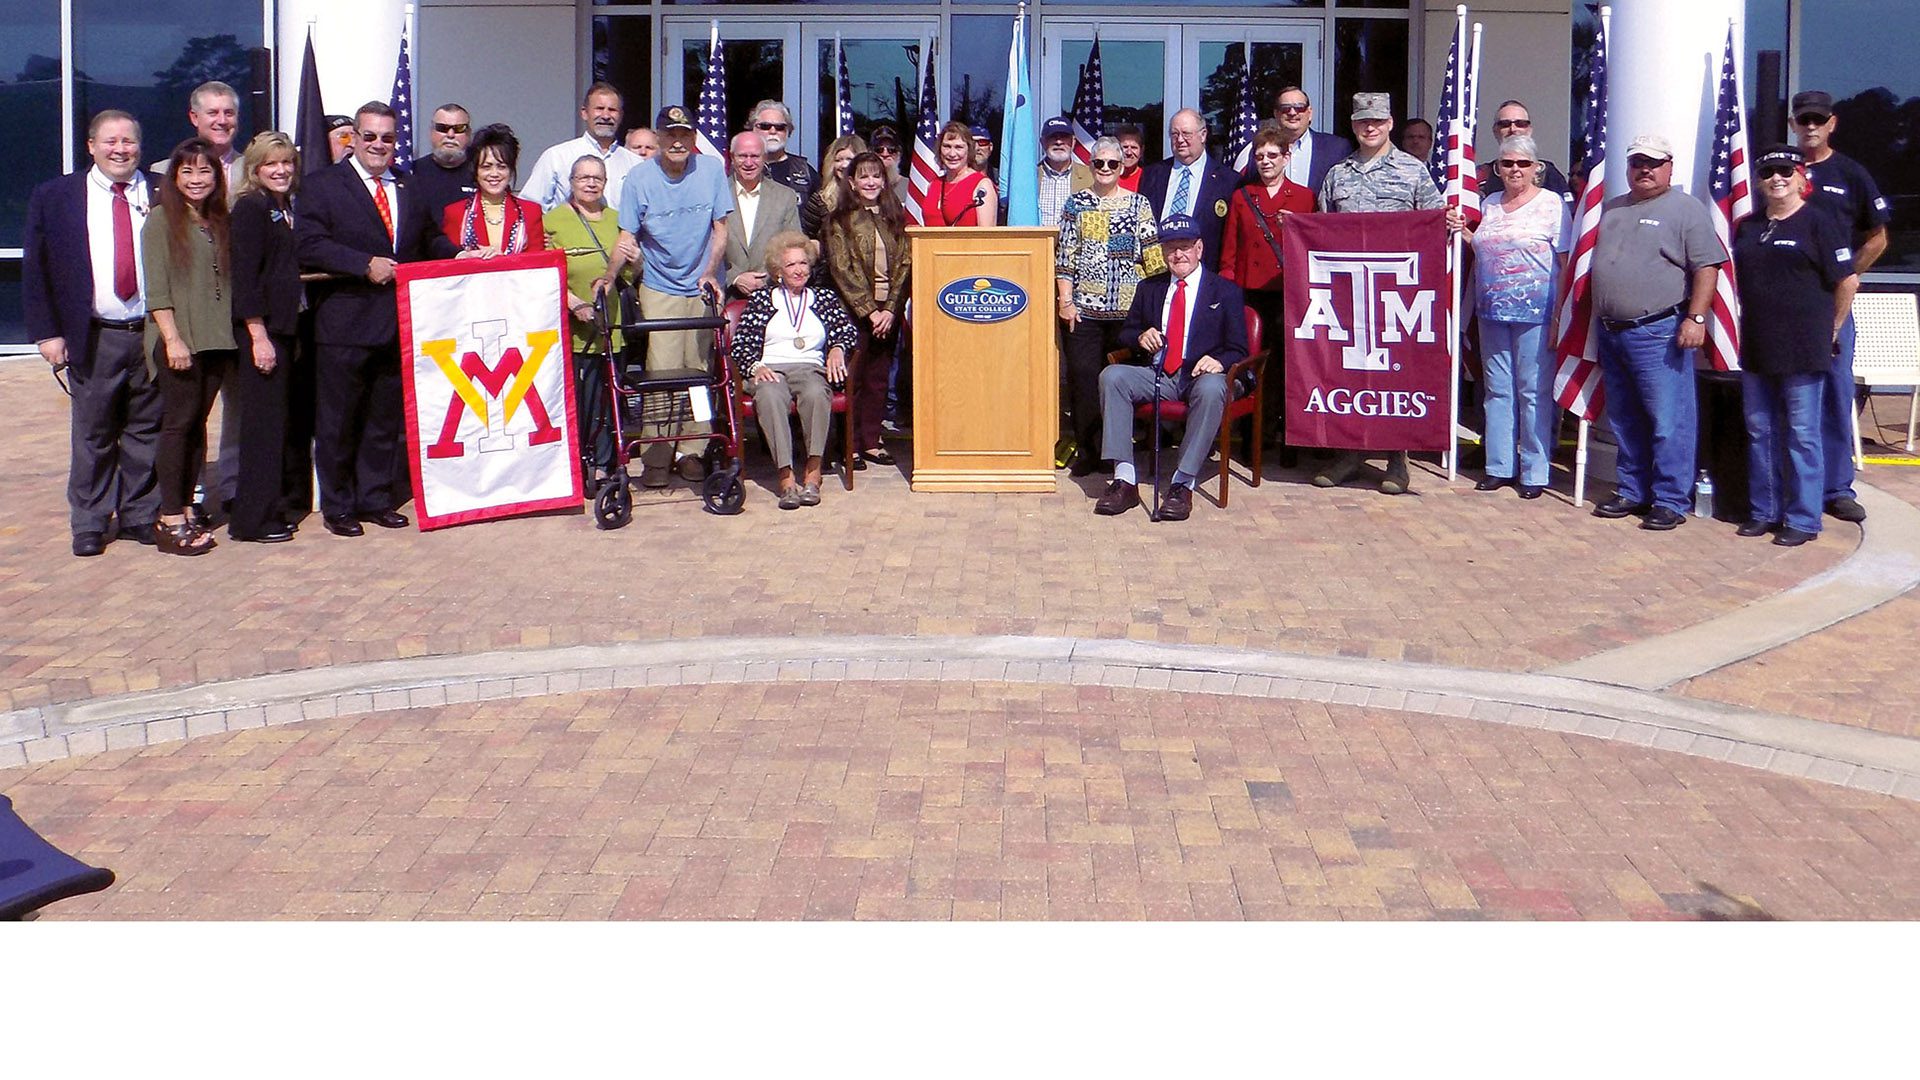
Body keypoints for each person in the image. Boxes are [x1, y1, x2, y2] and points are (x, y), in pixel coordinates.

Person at [296, 101, 458, 537]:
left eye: (387, 138)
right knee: (339, 420)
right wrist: (361, 262)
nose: (379, 145)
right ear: (354, 139)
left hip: (396, 324)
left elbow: (428, 238)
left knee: (383, 419)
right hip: (343, 323)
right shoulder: (322, 185)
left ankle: (375, 498)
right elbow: (308, 243)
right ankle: (339, 505)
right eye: (369, 136)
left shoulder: (409, 184)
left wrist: (461, 254)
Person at [23, 110, 164, 557]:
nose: (120, 149)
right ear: (91, 146)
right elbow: (36, 269)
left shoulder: (162, 193)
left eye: (129, 141)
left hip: (152, 333)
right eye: (110, 141)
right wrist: (48, 333)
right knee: (93, 432)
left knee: (146, 428)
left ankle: (141, 514)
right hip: (93, 334)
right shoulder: (57, 195)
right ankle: (90, 520)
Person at [1312, 92, 1463, 496]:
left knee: (1394, 372)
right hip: (1348, 291)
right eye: (1363, 121)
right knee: (1347, 369)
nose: (1370, 127)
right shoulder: (1337, 174)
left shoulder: (1413, 171)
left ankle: (1398, 456)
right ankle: (1348, 452)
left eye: (1377, 120)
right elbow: (1322, 231)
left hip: (1397, 294)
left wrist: (1449, 221)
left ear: (1390, 122)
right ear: (1354, 124)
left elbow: (1434, 225)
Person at [1586, 133, 1726, 531]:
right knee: (1625, 419)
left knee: (1669, 420)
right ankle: (1632, 490)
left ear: (1669, 166)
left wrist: (1696, 318)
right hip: (1612, 331)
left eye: (1653, 162)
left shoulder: (1685, 209)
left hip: (1658, 331)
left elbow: (1706, 267)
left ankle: (1669, 499)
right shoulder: (1613, 209)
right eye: (1636, 163)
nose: (1644, 169)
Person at [1733, 145, 1860, 547]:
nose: (1777, 178)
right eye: (1769, 172)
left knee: (1803, 433)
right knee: (1760, 429)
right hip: (1757, 343)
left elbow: (1847, 281)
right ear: (1759, 179)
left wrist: (1834, 329)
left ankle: (1803, 518)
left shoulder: (1819, 223)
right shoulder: (1749, 226)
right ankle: (1764, 511)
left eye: (1786, 170)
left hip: (1804, 347)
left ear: (1801, 176)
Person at [599, 105, 730, 487]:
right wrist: (609, 276)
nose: (677, 141)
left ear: (692, 138)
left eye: (684, 135)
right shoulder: (639, 179)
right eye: (669, 134)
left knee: (700, 371)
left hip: (702, 285)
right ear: (657, 139)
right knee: (662, 372)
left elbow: (720, 229)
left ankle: (694, 451)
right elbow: (627, 237)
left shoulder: (710, 170)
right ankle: (657, 458)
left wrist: (709, 273)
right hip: (659, 285)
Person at [1093, 215, 1248, 521]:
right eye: (1171, 248)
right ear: (1163, 253)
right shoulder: (1150, 287)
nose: (1178, 255)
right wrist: (1140, 337)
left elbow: (1239, 348)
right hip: (1158, 374)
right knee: (1112, 376)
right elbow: (1126, 333)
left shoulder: (1224, 291)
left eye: (1185, 247)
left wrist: (1219, 361)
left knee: (1214, 386)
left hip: (1200, 377)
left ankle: (1182, 483)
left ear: (1200, 248)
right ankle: (1124, 480)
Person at [1793, 89, 1892, 525]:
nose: (1811, 126)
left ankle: (1836, 488)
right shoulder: (1779, 171)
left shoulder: (1850, 173)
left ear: (1832, 123)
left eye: (1818, 119)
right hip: (1782, 304)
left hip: (1831, 305)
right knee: (1787, 399)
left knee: (1834, 395)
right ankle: (1794, 485)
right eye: (1804, 119)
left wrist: (1845, 275)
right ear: (1794, 124)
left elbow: (1878, 237)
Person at [142, 138, 235, 556]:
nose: (197, 180)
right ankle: (169, 517)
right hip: (180, 340)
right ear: (174, 178)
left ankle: (187, 504)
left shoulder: (217, 219)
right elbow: (157, 290)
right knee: (178, 426)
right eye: (187, 172)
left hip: (216, 339)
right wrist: (172, 338)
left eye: (205, 171)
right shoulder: (161, 221)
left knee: (197, 425)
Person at [1467, 133, 1572, 500]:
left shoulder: (1552, 205)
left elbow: (1564, 262)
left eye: (1522, 164)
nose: (1514, 170)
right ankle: (1498, 467)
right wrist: (1461, 231)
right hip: (1492, 312)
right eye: (1507, 163)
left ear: (1536, 168)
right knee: (1497, 391)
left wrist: (1560, 317)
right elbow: (1482, 246)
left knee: (1533, 393)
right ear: (1497, 168)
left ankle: (1535, 471)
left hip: (1537, 314)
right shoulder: (1490, 204)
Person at [1056, 136, 1163, 478]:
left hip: (1127, 317)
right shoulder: (1076, 205)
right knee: (1084, 381)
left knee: (1121, 385)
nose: (1105, 169)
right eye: (1099, 163)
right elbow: (1065, 258)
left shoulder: (1139, 205)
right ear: (1090, 166)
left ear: (1122, 167)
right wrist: (1065, 301)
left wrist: (1152, 312)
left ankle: (1120, 454)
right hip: (1084, 313)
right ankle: (1088, 451)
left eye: (1112, 164)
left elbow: (1153, 261)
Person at [733, 232, 860, 509]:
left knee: (816, 392)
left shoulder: (824, 297)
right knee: (769, 395)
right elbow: (741, 342)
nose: (799, 270)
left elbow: (847, 331)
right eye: (791, 265)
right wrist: (756, 366)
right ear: (778, 271)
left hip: (809, 367)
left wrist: (838, 347)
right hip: (771, 368)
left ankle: (813, 473)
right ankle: (786, 477)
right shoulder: (762, 300)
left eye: (803, 263)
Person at [226, 132, 306, 544]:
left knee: (277, 426)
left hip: (286, 328)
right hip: (263, 332)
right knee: (261, 429)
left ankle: (271, 506)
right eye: (271, 164)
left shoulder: (283, 206)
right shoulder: (250, 208)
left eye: (286, 162)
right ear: (255, 170)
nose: (281, 170)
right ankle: (250, 521)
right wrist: (258, 335)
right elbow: (246, 278)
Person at [1219, 122, 1314, 461]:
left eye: (1273, 155)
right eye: (1260, 156)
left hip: (1288, 292)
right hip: (1250, 292)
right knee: (1250, 366)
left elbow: (1314, 249)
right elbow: (1230, 250)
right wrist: (1228, 294)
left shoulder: (1304, 197)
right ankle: (1253, 438)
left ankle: (1289, 438)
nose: (1266, 162)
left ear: (1287, 157)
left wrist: (1298, 226)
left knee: (1288, 366)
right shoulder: (1243, 196)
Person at [825, 152, 913, 470]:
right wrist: (868, 311)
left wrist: (890, 309)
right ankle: (850, 445)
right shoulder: (839, 220)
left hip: (888, 311)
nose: (871, 182)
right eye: (864, 176)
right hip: (855, 311)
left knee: (879, 379)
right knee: (855, 379)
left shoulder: (896, 217)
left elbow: (906, 262)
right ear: (852, 182)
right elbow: (841, 268)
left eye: (876, 176)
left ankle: (872, 441)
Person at [546, 155, 626, 483]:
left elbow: (632, 275)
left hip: (612, 326)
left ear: (605, 184)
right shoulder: (552, 221)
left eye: (597, 178)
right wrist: (573, 303)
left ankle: (606, 464)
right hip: (576, 328)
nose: (591, 183)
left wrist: (634, 260)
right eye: (583, 178)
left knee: (610, 402)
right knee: (581, 403)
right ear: (571, 182)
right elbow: (545, 272)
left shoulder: (619, 220)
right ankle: (579, 465)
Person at [520, 82, 643, 211]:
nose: (606, 116)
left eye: (612, 110)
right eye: (599, 108)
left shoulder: (635, 164)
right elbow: (530, 206)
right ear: (584, 113)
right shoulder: (557, 156)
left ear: (621, 116)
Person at [1138, 109, 1238, 267]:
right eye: (1174, 134)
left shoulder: (1228, 181)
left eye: (1186, 133)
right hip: (1156, 271)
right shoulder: (1152, 174)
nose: (1180, 140)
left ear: (1203, 135)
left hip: (1205, 273)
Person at [441, 124, 546, 255]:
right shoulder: (455, 213)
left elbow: (537, 264)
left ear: (511, 170)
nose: (494, 173)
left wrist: (502, 261)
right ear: (476, 171)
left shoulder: (531, 212)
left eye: (501, 167)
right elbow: (448, 264)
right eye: (486, 167)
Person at [723, 131, 803, 298]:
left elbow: (793, 245)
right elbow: (705, 246)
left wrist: (766, 278)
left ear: (765, 158)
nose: (749, 162)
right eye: (742, 156)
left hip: (774, 294)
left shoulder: (785, 196)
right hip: (726, 296)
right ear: (731, 157)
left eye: (755, 156)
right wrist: (735, 277)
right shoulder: (715, 193)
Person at [155, 81, 244, 195]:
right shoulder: (162, 171)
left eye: (229, 113)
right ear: (195, 118)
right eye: (213, 113)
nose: (222, 121)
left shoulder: (253, 170)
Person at [1473, 101, 1571, 201]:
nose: (1513, 129)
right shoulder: (1482, 175)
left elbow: (1566, 211)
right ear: (1495, 130)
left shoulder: (1547, 173)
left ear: (1529, 130)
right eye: (1505, 124)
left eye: (1520, 123)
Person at [1269, 86, 1353, 198]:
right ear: (1276, 114)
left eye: (1299, 107)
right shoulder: (1262, 151)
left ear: (1309, 113)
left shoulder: (1337, 148)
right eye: (1285, 108)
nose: (1292, 112)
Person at [407, 103, 476, 224]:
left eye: (459, 128)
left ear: (469, 134)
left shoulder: (481, 174)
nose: (450, 135)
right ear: (431, 132)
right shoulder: (413, 173)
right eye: (442, 128)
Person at [919, 121, 997, 227]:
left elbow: (987, 237)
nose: (952, 154)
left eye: (958, 147)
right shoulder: (933, 185)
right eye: (947, 146)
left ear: (969, 150)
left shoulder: (982, 185)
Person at [753, 100, 820, 209]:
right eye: (765, 126)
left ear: (789, 131)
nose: (773, 131)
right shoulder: (740, 168)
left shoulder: (805, 171)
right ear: (753, 129)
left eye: (780, 127)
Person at [802, 134, 867, 238]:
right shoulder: (819, 201)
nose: (844, 165)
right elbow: (807, 237)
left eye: (849, 159)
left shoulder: (872, 197)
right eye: (838, 160)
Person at [1038, 116, 1093, 228]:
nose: (1059, 142)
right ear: (1043, 142)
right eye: (1052, 137)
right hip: (1037, 244)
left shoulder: (1091, 177)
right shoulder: (1028, 178)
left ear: (1073, 142)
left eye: (1064, 137)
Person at [870, 124, 911, 204]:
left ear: (899, 154)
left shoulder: (911, 188)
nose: (885, 154)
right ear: (871, 153)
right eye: (879, 150)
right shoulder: (864, 188)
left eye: (891, 150)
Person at [1113, 123, 1146, 192]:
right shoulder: (1107, 176)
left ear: (1142, 150)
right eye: (1124, 147)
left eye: (1134, 148)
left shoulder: (1148, 178)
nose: (1129, 152)